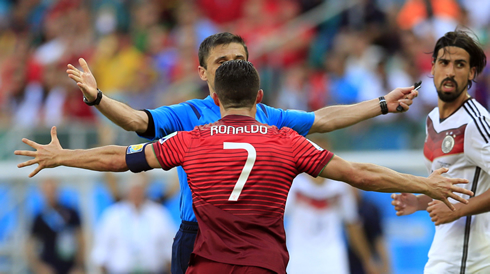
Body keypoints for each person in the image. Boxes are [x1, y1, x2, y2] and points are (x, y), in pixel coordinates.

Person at [17, 60, 473, 273]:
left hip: (207, 263)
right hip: (264, 265)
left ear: (215, 99)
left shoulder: (191, 139)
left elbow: (119, 157)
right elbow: (358, 173)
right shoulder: (284, 139)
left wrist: (62, 157)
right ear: (259, 98)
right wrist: (425, 185)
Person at [391, 30, 489, 273]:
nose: (450, 71)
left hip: (471, 259)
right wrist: (419, 202)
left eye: (460, 64)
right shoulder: (433, 119)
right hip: (446, 254)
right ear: (432, 67)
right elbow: (455, 188)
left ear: (471, 73)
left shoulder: (475, 123)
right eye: (444, 63)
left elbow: (458, 204)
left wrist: (459, 210)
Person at [285, 174, 375, 274]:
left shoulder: (341, 187)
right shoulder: (293, 184)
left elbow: (352, 225)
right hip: (298, 257)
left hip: (332, 259)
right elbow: (274, 218)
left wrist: (368, 261)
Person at [91, 173, 175, 274]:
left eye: (139, 190)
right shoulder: (112, 215)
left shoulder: (159, 214)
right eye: (134, 190)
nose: (136, 194)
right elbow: (101, 253)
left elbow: (169, 249)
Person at [26, 178, 85, 274]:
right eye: (47, 191)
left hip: (70, 265)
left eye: (53, 190)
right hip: (49, 266)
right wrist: (38, 266)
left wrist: (79, 265)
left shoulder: (70, 213)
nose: (50, 194)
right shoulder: (40, 217)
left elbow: (81, 239)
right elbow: (29, 245)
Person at [348, 188, 391, 274]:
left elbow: (379, 239)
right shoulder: (337, 207)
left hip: (367, 263)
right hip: (344, 260)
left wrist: (386, 266)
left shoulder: (370, 209)